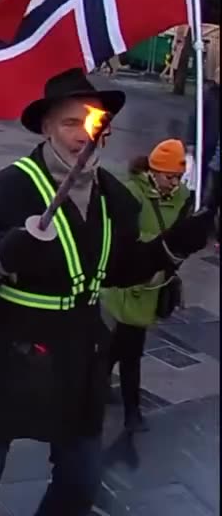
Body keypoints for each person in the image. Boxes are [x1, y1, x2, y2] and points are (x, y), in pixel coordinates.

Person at [0, 69, 215, 515]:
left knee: (81, 481)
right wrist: (4, 252)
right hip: (14, 349)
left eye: (94, 122)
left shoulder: (111, 195)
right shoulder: (17, 185)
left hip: (81, 353)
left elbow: (120, 268)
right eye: (70, 122)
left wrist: (177, 243)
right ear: (46, 127)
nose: (84, 134)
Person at [101, 140, 191, 432]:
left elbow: (184, 236)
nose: (174, 183)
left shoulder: (184, 197)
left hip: (156, 283)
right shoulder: (131, 192)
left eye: (178, 177)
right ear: (153, 171)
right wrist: (159, 246)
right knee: (131, 349)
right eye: (169, 177)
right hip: (131, 282)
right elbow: (122, 235)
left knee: (119, 346)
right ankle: (132, 411)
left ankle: (94, 383)